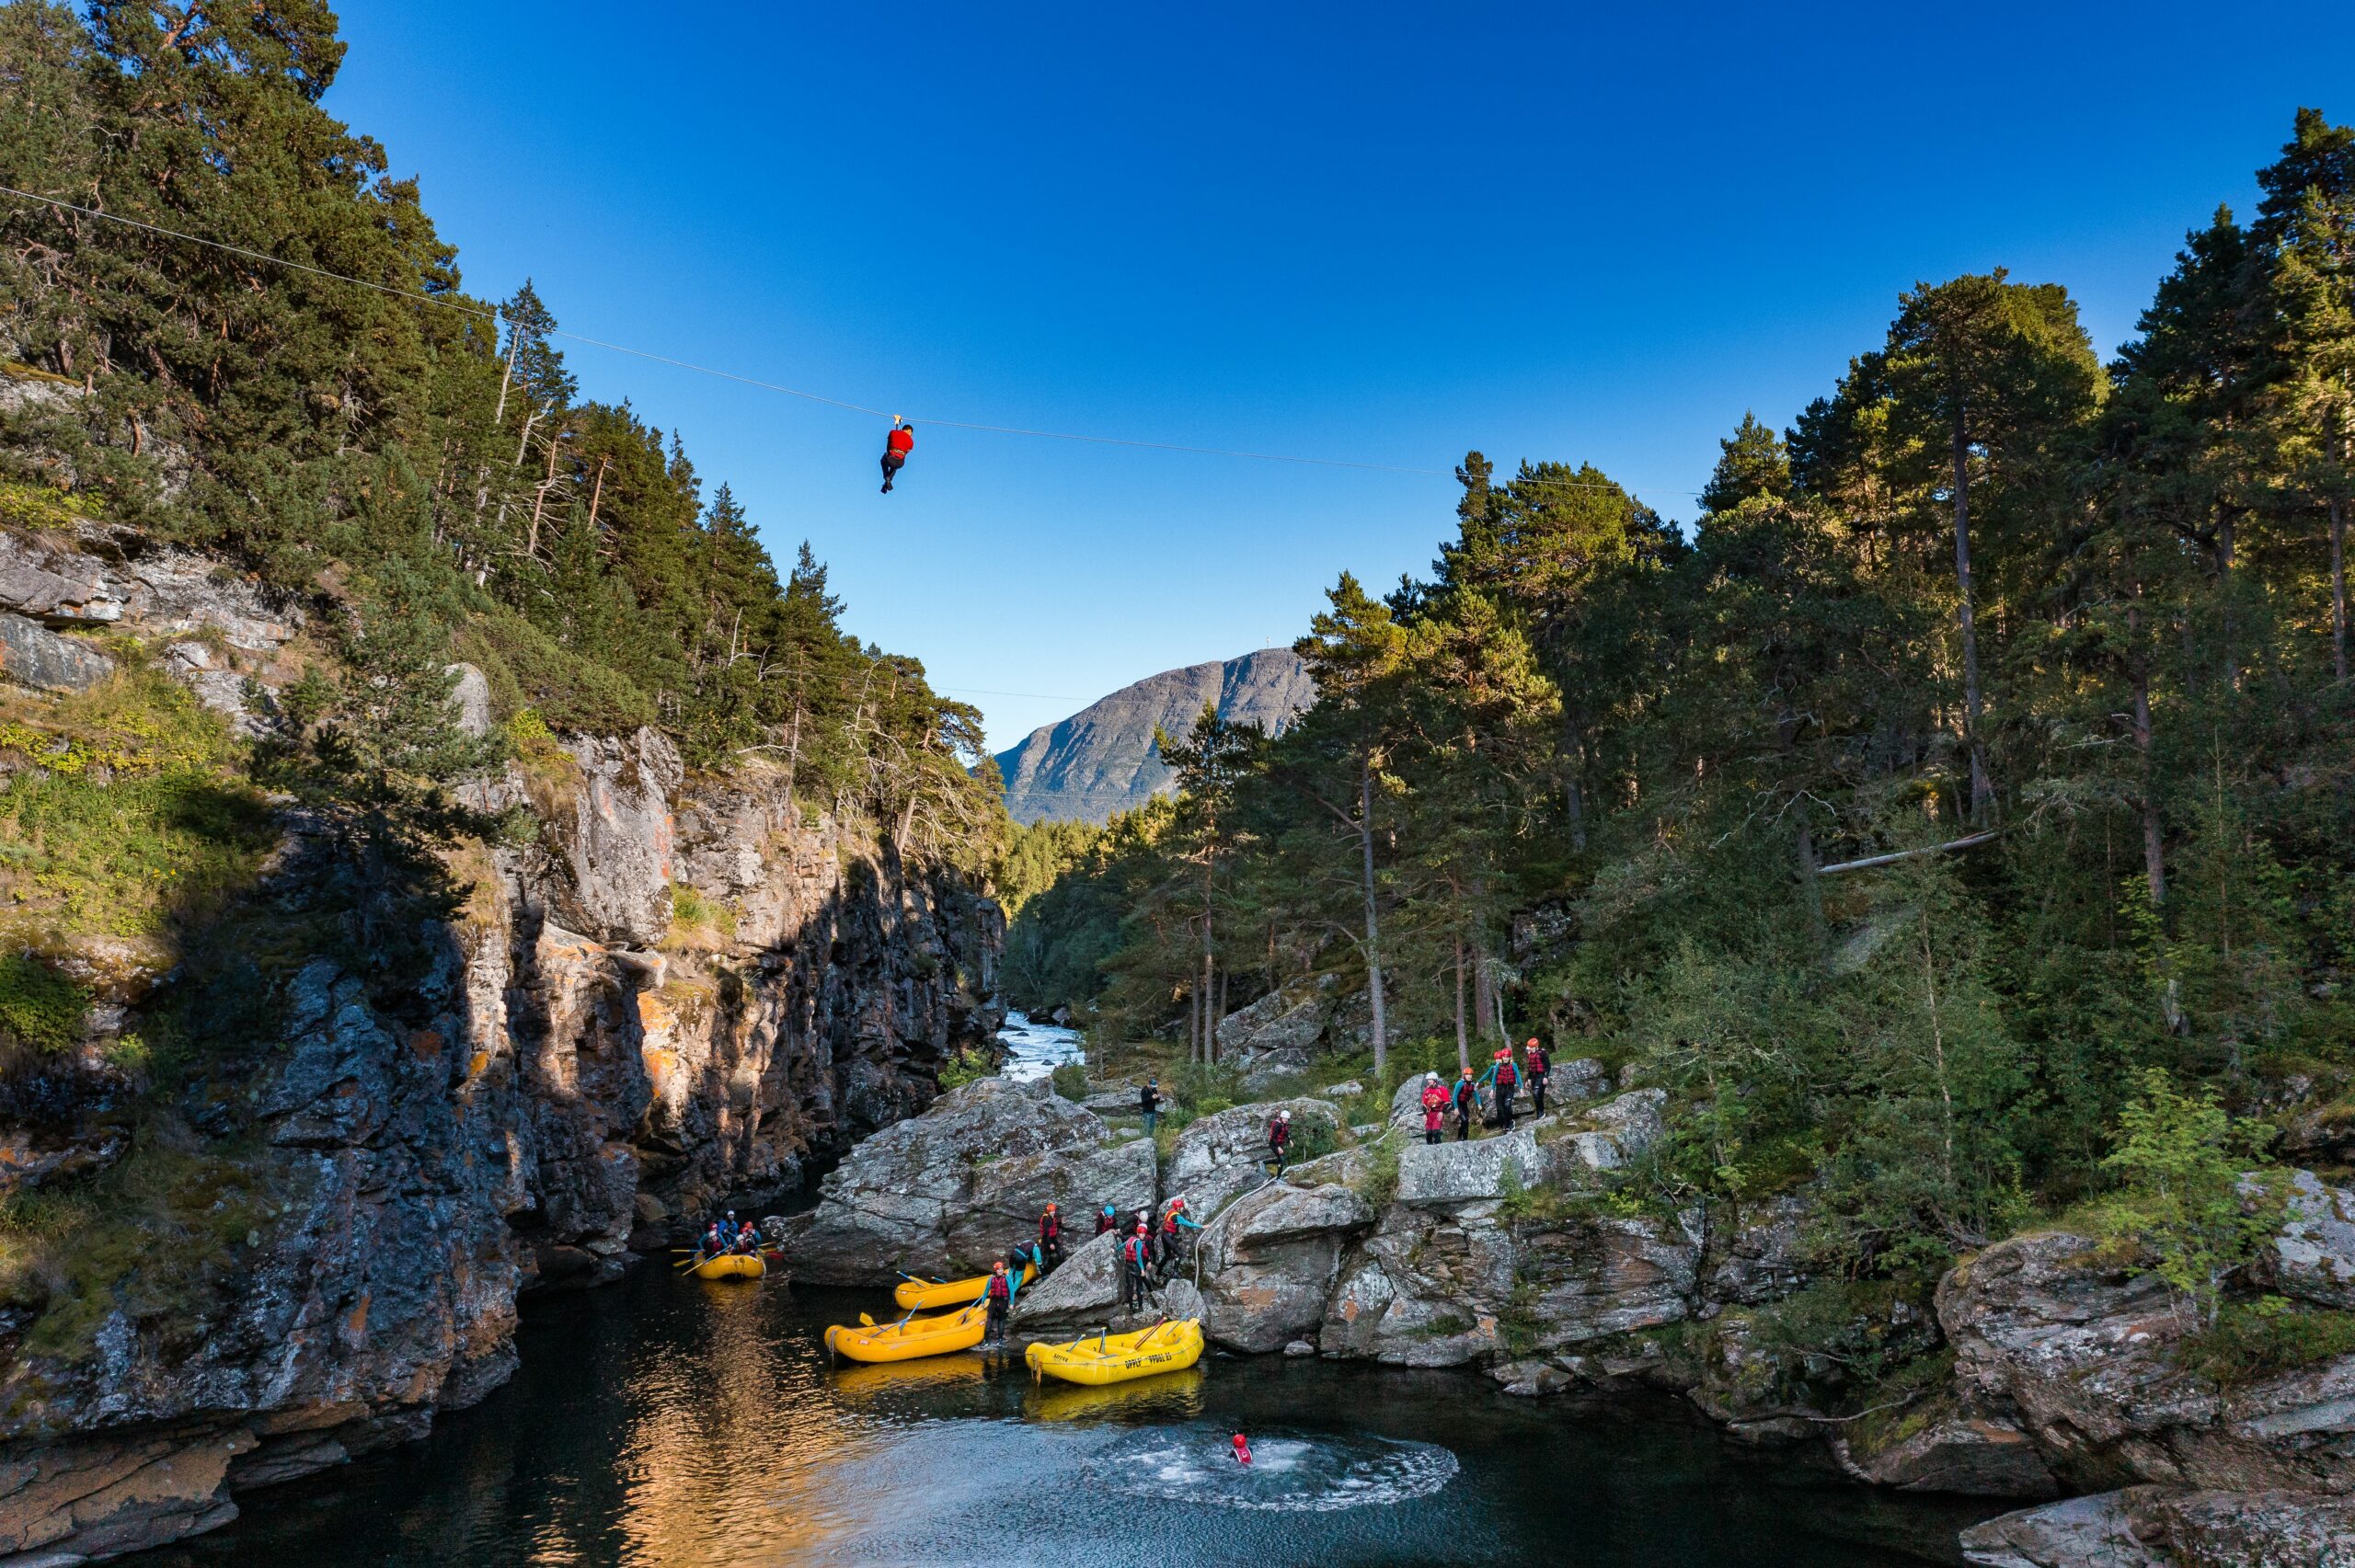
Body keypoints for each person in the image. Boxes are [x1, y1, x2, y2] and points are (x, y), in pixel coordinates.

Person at [1156, 1198, 1202, 1278]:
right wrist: (1202, 1226)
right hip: (1169, 1237)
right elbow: (1189, 1224)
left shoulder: (1170, 1211)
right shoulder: (1177, 1217)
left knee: (1167, 1255)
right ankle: (1175, 1273)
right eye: (1182, 1207)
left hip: (1164, 1235)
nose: (1183, 1208)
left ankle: (1158, 1272)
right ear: (1178, 1208)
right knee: (1179, 1253)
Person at [1120, 1223, 1153, 1310]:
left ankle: (1131, 1308)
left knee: (1130, 1287)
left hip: (1128, 1266)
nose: (1143, 1235)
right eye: (1142, 1233)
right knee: (1139, 1287)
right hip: (1136, 1267)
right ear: (1138, 1233)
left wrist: (1115, 1250)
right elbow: (1138, 1257)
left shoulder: (1130, 1239)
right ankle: (1140, 1307)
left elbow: (1121, 1246)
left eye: (1144, 1234)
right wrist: (1142, 1269)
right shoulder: (1138, 1242)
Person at [1490, 1047, 1520, 1131]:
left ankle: (1508, 1124)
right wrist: (1492, 1089)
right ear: (1502, 1057)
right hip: (1500, 1088)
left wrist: (1521, 1088)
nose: (1505, 1058)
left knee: (1507, 1105)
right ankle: (1506, 1124)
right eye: (1504, 1057)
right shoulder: (1498, 1065)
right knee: (1500, 1108)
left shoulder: (1513, 1065)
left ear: (1509, 1057)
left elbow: (1518, 1076)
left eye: (1507, 1057)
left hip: (1509, 1088)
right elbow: (1494, 1078)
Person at [880, 418, 913, 493]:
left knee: (883, 460)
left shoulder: (893, 432)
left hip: (890, 458)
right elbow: (906, 453)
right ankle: (886, 484)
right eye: (911, 434)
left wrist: (889, 453)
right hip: (900, 463)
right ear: (909, 431)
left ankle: (886, 477)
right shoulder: (911, 442)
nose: (911, 436)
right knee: (895, 467)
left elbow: (888, 445)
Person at [983, 1259, 1013, 1345]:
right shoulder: (991, 1279)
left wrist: (1012, 1303)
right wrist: (982, 1302)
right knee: (989, 1320)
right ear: (995, 1270)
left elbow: (1011, 1291)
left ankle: (1000, 1340)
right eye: (999, 1269)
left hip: (1003, 1301)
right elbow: (986, 1291)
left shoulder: (1007, 1278)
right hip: (993, 1301)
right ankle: (986, 1340)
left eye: (1002, 1269)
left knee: (1001, 1320)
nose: (1001, 1271)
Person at [1419, 1071, 1450, 1146]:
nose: (1429, 1081)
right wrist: (1424, 1114)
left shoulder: (1442, 1090)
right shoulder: (1427, 1090)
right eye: (1428, 1080)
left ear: (1435, 1080)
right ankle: (1429, 1148)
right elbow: (1424, 1103)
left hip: (1438, 1114)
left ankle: (1439, 1147)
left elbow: (1447, 1102)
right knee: (1428, 1133)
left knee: (1435, 1132)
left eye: (1431, 1079)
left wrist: (1442, 1112)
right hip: (1429, 1114)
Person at [1524, 1037, 1551, 1116]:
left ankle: (1541, 1112)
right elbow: (1530, 1068)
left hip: (1541, 1075)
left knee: (1537, 1093)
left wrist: (1546, 1077)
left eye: (1531, 1048)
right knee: (1535, 1095)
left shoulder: (1542, 1053)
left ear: (1536, 1047)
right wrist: (1528, 1079)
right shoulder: (1530, 1054)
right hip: (1534, 1077)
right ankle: (1539, 1113)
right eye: (1529, 1047)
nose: (1529, 1049)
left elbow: (1548, 1066)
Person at [1453, 1067, 1477, 1142]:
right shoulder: (1460, 1083)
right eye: (1467, 1075)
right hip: (1457, 1103)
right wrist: (1456, 1108)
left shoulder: (1472, 1084)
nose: (1469, 1076)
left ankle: (1465, 1139)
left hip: (1464, 1104)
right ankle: (1460, 1138)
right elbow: (1454, 1096)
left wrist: (1479, 1104)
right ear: (1464, 1075)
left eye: (1470, 1075)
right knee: (1464, 1120)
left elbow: (1476, 1095)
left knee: (1466, 1121)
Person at [1039, 1203, 1064, 1272]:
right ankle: (1046, 1271)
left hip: (1053, 1238)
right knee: (1047, 1257)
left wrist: (1060, 1222)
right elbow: (1046, 1234)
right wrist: (1050, 1243)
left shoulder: (1051, 1217)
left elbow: (1054, 1223)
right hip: (1047, 1240)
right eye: (1051, 1211)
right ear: (1048, 1211)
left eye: (1054, 1211)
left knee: (1060, 1253)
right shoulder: (1046, 1219)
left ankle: (1063, 1268)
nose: (1053, 1213)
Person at [1267, 1108, 1292, 1176]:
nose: (1286, 1120)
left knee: (1281, 1159)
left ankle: (1264, 1162)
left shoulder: (1284, 1123)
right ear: (1282, 1117)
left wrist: (1290, 1140)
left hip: (1279, 1144)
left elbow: (1286, 1132)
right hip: (1273, 1143)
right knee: (1282, 1160)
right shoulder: (1277, 1125)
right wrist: (1278, 1147)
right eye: (1285, 1118)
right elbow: (1273, 1137)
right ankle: (1278, 1178)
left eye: (1287, 1119)